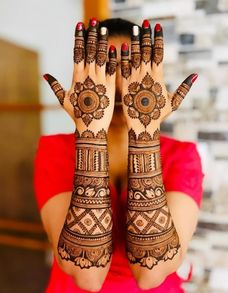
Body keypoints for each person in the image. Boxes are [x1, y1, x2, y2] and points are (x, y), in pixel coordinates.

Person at [34, 17, 204, 293]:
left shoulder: (181, 155)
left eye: (130, 69)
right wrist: (90, 132)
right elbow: (87, 276)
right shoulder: (55, 150)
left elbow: (150, 274)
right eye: (107, 69)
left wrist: (145, 133)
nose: (119, 87)